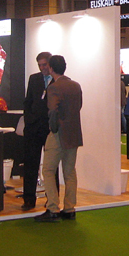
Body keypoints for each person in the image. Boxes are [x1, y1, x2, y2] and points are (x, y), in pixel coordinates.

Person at [36, 55, 83, 223]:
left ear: (51, 68)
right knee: (70, 171)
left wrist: (54, 128)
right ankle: (69, 208)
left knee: (48, 170)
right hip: (74, 133)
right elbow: (78, 107)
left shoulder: (54, 87)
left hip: (59, 134)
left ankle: (53, 208)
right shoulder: (76, 86)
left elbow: (53, 111)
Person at [21, 52, 53, 211]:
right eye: (40, 65)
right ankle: (28, 198)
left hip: (49, 130)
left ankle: (52, 199)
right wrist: (29, 119)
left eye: (45, 65)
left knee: (50, 166)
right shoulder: (34, 79)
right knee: (30, 164)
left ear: (51, 64)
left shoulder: (58, 80)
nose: (42, 68)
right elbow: (28, 101)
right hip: (33, 128)